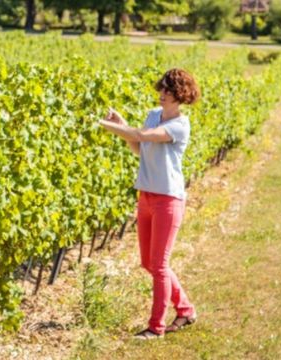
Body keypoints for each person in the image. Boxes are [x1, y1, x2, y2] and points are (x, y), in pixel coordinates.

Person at [98, 68, 200, 339]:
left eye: (169, 90)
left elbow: (144, 136)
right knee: (149, 263)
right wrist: (122, 124)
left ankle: (156, 327)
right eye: (162, 88)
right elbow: (139, 147)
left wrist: (113, 127)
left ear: (181, 96)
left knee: (160, 265)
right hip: (146, 196)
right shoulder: (153, 116)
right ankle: (186, 309)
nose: (162, 94)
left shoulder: (179, 125)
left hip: (168, 200)